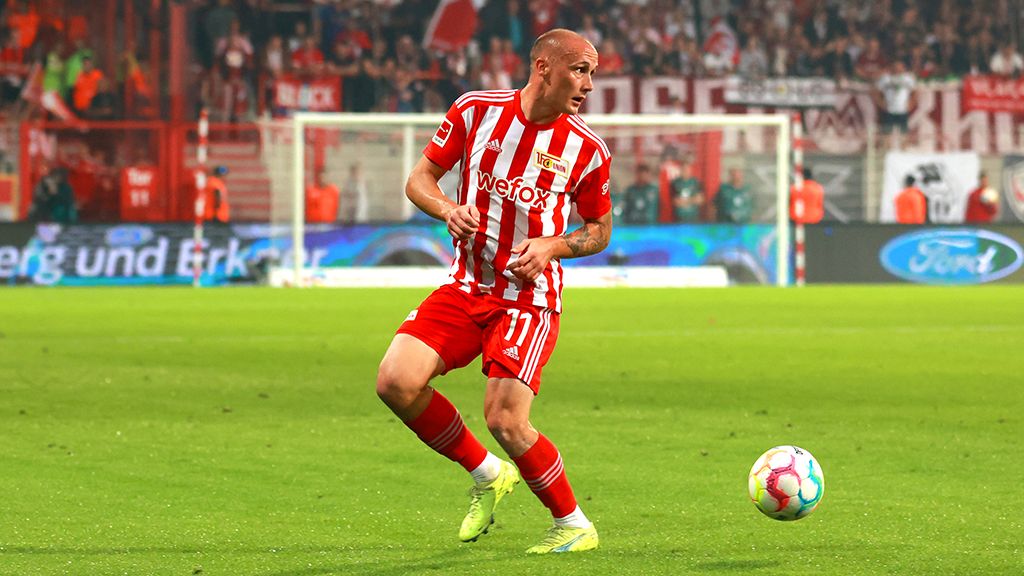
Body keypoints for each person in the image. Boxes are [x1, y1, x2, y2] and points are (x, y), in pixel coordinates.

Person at [375, 29, 610, 555]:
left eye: (593, 73)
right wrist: (447, 209)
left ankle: (573, 523)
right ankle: (486, 473)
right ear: (543, 66)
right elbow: (421, 179)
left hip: (529, 297)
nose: (589, 85)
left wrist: (553, 245)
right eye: (580, 69)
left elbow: (599, 231)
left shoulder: (587, 149)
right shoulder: (475, 111)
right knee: (395, 382)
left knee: (505, 419)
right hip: (465, 286)